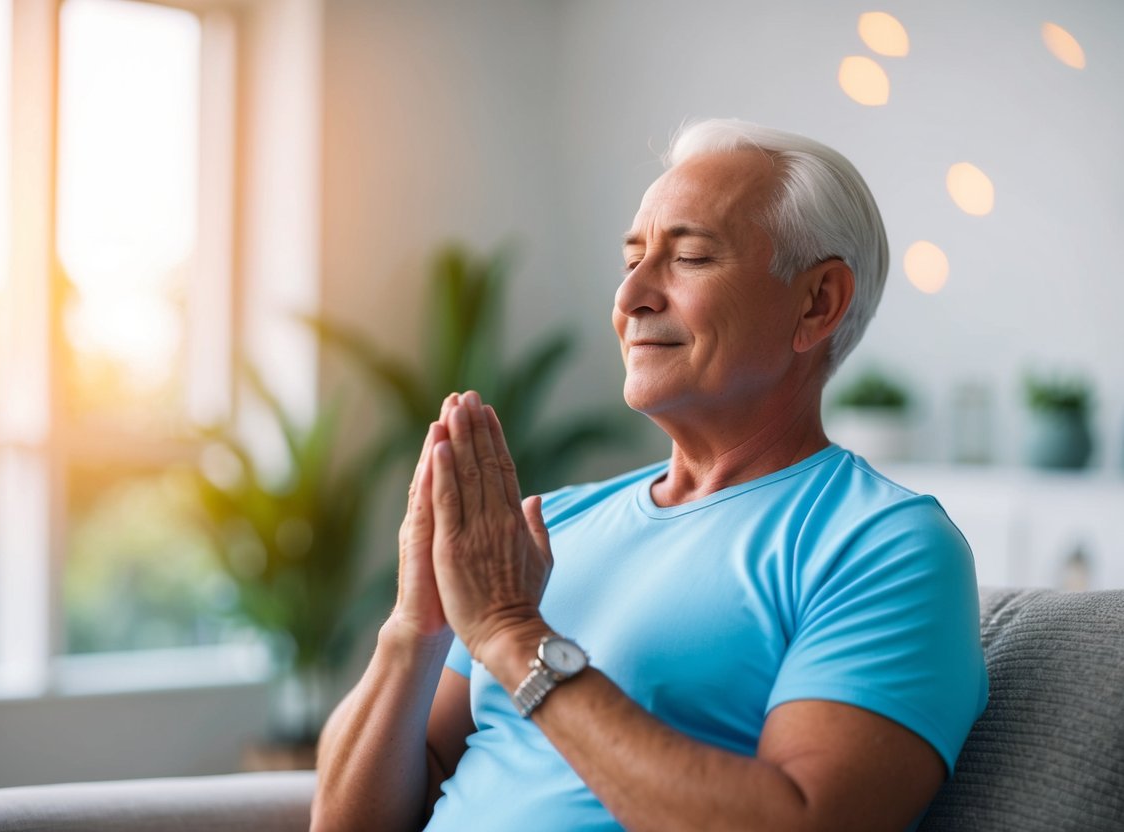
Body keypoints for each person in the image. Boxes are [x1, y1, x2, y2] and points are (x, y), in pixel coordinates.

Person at [309, 119, 988, 832]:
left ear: (816, 303)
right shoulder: (551, 529)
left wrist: (513, 635)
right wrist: (416, 626)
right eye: (631, 259)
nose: (631, 295)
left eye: (689, 257)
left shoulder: (884, 546)